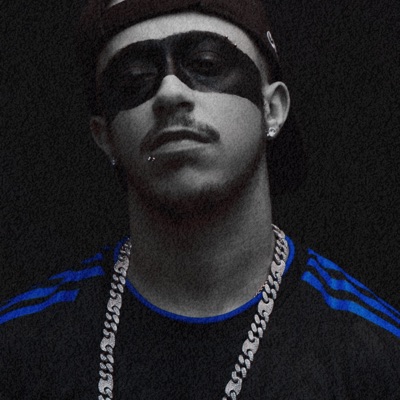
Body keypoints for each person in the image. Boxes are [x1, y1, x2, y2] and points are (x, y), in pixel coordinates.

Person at [1, 1, 399, 399]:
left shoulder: (375, 357)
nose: (170, 92)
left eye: (205, 64)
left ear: (273, 109)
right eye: (135, 78)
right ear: (104, 136)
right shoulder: (21, 349)